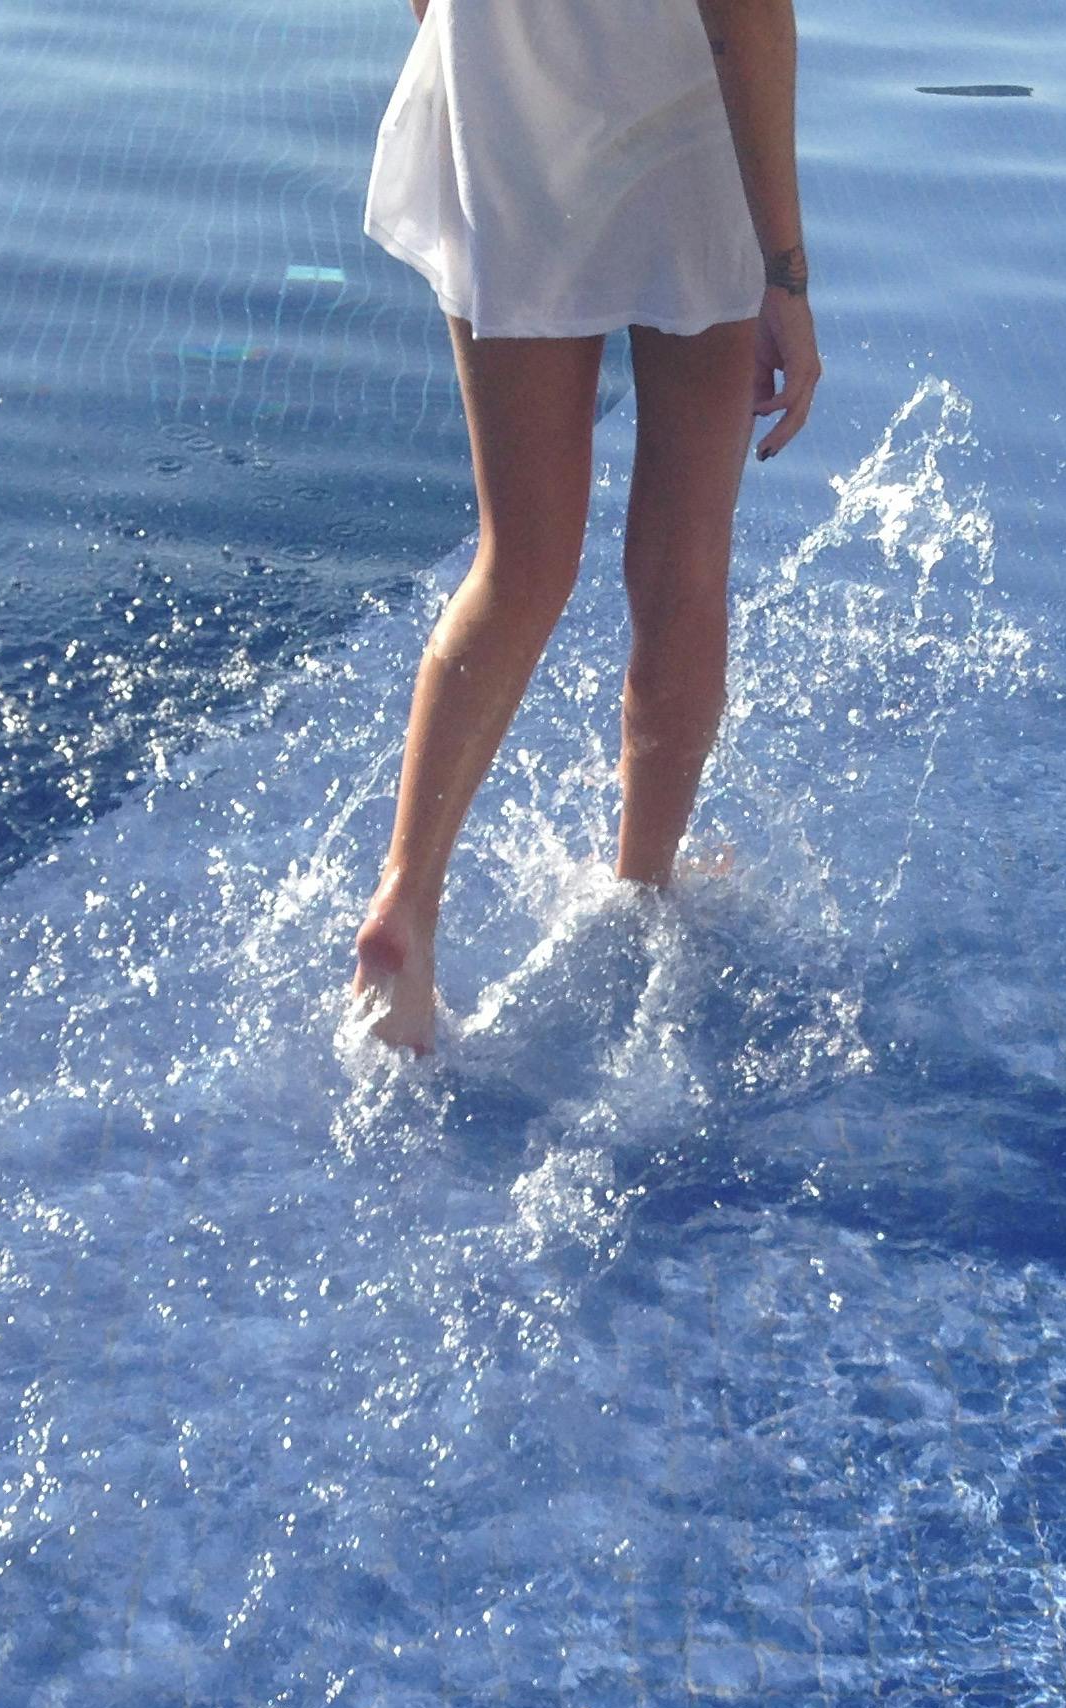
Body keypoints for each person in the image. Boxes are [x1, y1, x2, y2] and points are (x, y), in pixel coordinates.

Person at [351, 0, 820, 1054]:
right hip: (682, 133)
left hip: (502, 116)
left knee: (518, 560)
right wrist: (785, 273)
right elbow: (748, 17)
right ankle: (643, 885)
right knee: (683, 560)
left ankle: (406, 898)